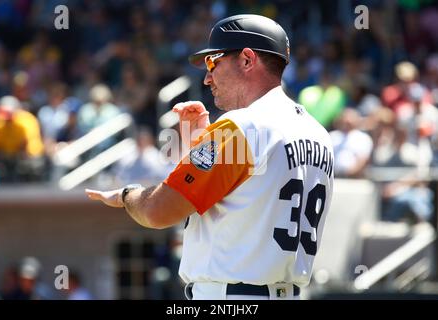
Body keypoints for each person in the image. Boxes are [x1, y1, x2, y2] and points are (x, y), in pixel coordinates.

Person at [86, 14, 334, 300]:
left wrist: (127, 194)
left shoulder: (242, 126)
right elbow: (247, 198)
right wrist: (204, 143)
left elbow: (158, 211)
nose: (206, 77)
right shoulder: (317, 132)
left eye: (213, 62)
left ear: (246, 59)